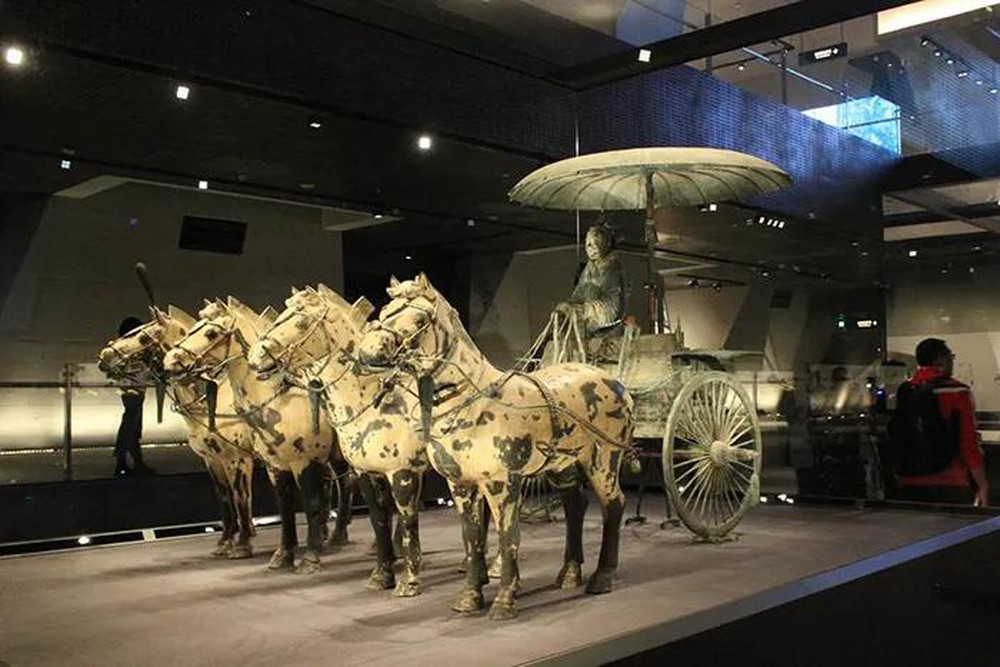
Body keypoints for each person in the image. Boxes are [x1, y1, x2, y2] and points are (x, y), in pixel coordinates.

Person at [894, 338, 987, 506]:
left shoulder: (906, 390)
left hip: (908, 480)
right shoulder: (956, 391)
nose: (952, 362)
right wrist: (981, 484)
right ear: (939, 359)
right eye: (950, 357)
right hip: (950, 480)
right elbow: (968, 441)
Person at [553, 223, 626, 336]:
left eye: (596, 244)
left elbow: (614, 309)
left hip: (608, 330)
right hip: (588, 328)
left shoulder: (612, 270)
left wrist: (585, 310)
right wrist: (568, 307)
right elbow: (578, 295)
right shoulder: (588, 270)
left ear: (604, 245)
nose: (591, 249)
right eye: (588, 244)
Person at [113, 316, 155, 478]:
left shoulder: (129, 347)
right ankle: (124, 463)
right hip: (132, 391)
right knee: (130, 427)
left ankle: (132, 463)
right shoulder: (127, 348)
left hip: (134, 390)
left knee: (132, 427)